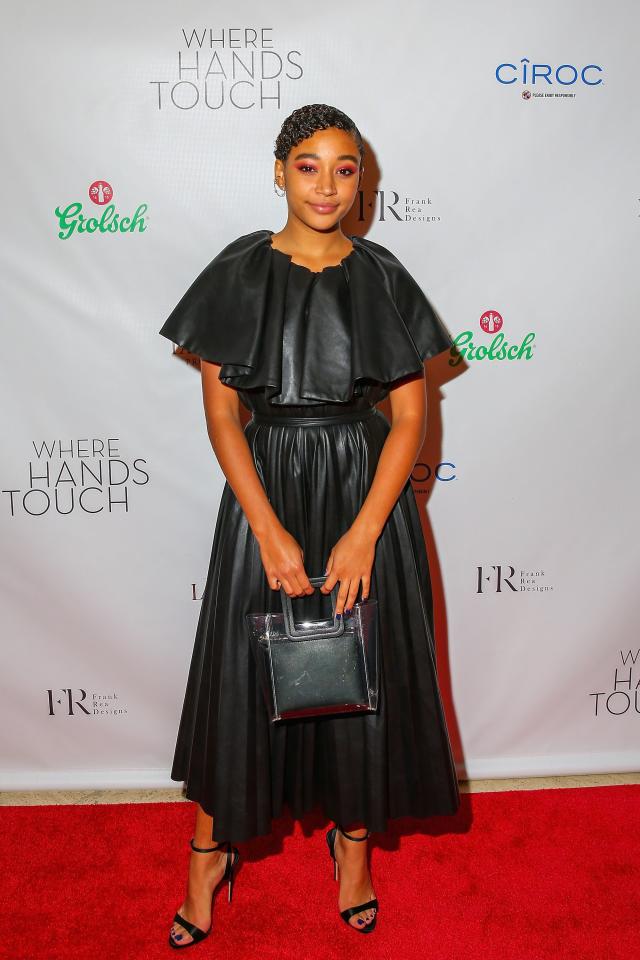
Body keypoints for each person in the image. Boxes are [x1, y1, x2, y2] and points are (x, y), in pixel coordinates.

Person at [159, 103, 460, 949]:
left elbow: (408, 421)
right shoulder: (238, 272)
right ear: (278, 171)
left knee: (364, 673)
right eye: (309, 165)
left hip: (369, 494)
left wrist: (365, 533)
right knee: (240, 677)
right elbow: (223, 417)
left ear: (362, 181)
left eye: (346, 167)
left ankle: (353, 849)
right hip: (268, 493)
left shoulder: (383, 275)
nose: (327, 184)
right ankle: (209, 855)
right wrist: (269, 531)